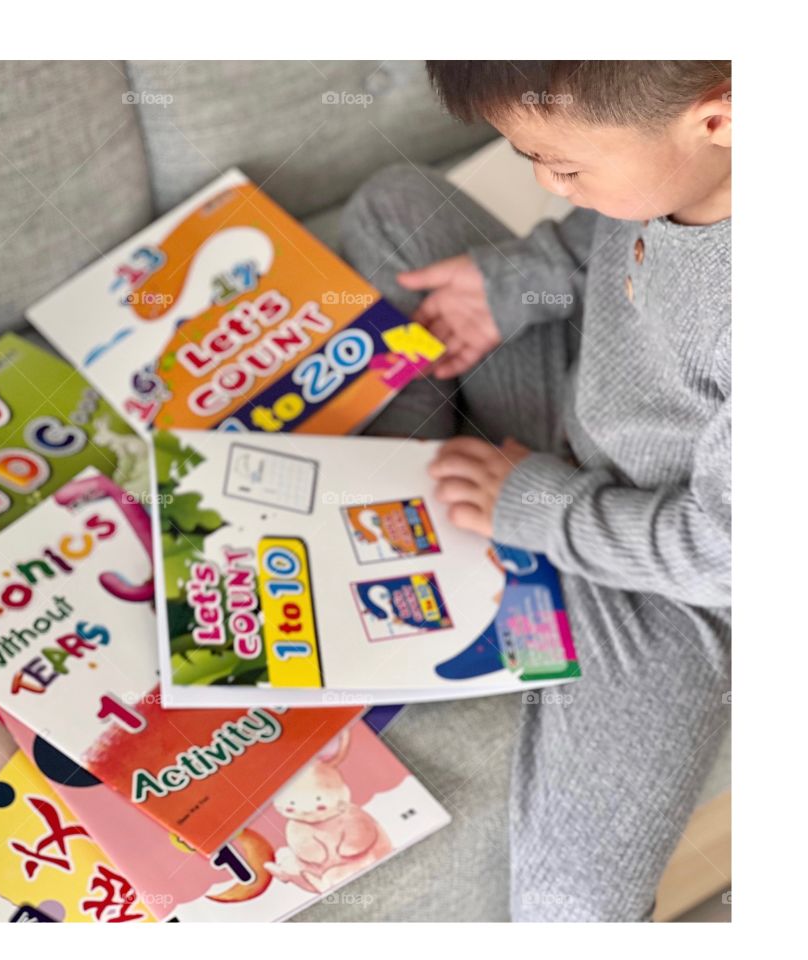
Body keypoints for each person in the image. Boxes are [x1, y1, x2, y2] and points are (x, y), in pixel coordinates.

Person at [341, 60, 731, 921]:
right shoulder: (686, 162)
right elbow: (622, 235)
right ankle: (416, 495)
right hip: (574, 408)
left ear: (720, 120)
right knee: (394, 207)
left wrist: (534, 504)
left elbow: (726, 556)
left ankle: (461, 502)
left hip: (663, 582)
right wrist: (522, 277)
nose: (549, 185)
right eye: (531, 158)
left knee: (574, 908)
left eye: (565, 166)